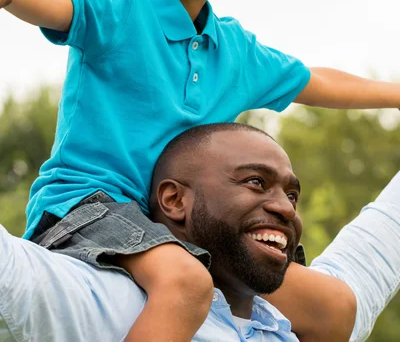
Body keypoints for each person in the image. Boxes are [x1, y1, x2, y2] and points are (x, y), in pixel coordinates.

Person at [1, 0, 400, 342]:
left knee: (333, 306)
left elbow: (314, 81)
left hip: (186, 230)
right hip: (89, 207)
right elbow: (57, 3)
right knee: (185, 283)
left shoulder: (235, 51)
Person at [0, 122, 399, 341]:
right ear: (175, 200)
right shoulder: (108, 303)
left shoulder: (297, 322)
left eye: (292, 195)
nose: (284, 208)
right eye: (255, 183)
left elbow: (386, 231)